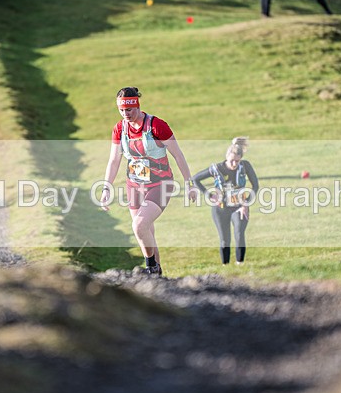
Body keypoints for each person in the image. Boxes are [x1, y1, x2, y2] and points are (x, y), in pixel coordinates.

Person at [100, 87, 197, 277]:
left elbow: (178, 155)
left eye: (129, 109)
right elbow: (114, 160)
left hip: (161, 184)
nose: (125, 114)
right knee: (146, 232)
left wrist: (189, 184)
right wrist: (106, 188)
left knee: (139, 226)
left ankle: (150, 267)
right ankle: (157, 275)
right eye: (121, 110)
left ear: (137, 105)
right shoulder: (120, 128)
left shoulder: (157, 125)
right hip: (134, 185)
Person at [192, 137, 259, 265]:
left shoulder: (245, 166)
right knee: (225, 240)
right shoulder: (217, 169)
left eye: (237, 161)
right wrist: (210, 195)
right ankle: (226, 266)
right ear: (226, 157)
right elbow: (195, 179)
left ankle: (240, 264)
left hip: (239, 207)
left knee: (239, 234)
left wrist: (246, 203)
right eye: (232, 161)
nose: (234, 164)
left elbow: (255, 186)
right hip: (220, 208)